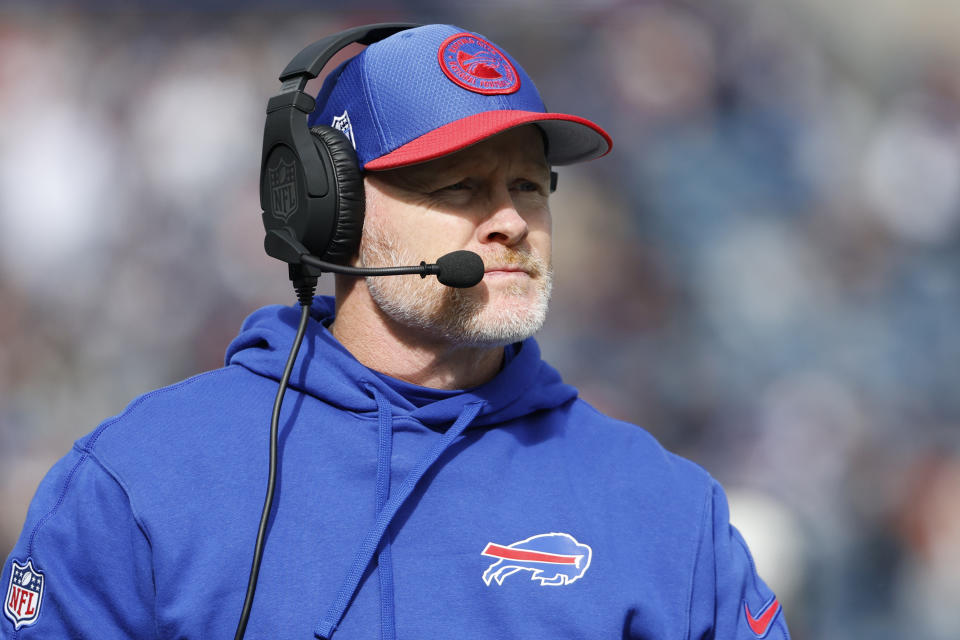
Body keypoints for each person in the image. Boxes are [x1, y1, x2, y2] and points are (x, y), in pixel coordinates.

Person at [2, 24, 789, 639]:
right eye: (461, 187)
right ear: (329, 211)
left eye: (527, 185)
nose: (511, 220)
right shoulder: (141, 480)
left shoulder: (666, 508)